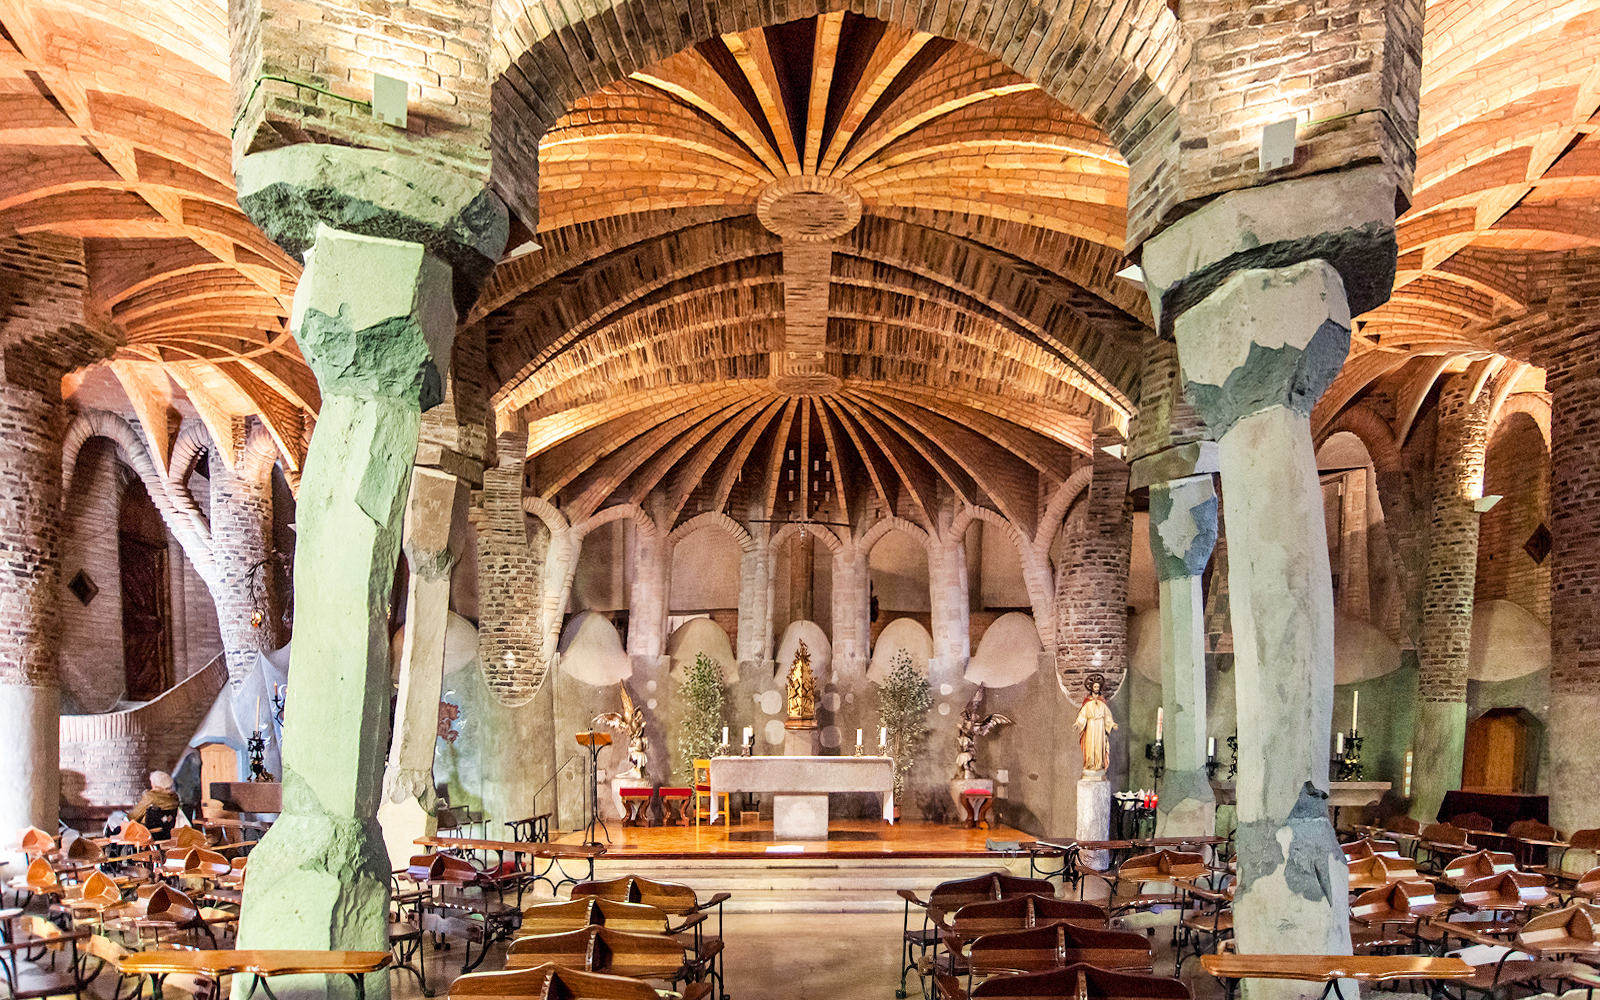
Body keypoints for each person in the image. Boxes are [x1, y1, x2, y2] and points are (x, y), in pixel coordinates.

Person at [1073, 673, 1118, 773]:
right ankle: (1090, 764)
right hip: (1091, 725)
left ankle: (1099, 764)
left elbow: (1107, 715)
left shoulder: (1102, 702)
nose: (1096, 688)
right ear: (1092, 688)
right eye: (1095, 686)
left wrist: (1111, 724)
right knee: (1090, 745)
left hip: (1100, 726)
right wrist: (1078, 723)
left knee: (1099, 745)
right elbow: (1083, 714)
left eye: (1098, 686)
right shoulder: (1088, 702)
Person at [128, 771, 181, 838]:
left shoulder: (149, 797)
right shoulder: (174, 797)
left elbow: (132, 817)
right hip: (167, 833)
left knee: (116, 824)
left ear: (156, 784)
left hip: (147, 833)